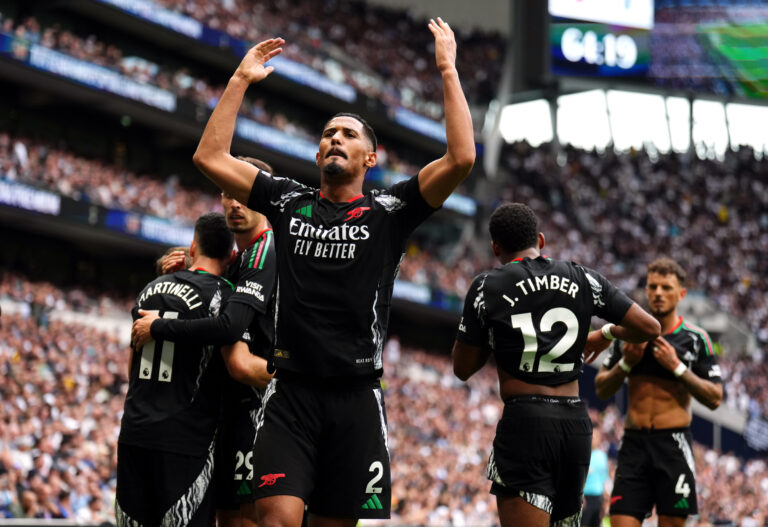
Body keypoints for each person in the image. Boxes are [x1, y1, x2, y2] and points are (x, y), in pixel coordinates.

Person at [190, 17, 475, 527]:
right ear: (317, 154)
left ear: (371, 156)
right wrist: (239, 81)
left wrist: (448, 70)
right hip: (290, 392)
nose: (335, 139)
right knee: (274, 520)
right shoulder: (286, 199)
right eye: (327, 135)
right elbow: (210, 156)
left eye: (347, 134)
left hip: (358, 397)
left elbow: (461, 157)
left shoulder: (392, 211)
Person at [451, 203, 660, 527]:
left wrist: (495, 337)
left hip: (526, 423)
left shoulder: (486, 286)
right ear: (542, 240)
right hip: (574, 424)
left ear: (496, 248)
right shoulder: (582, 277)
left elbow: (462, 368)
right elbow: (649, 327)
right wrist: (605, 332)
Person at [132, 157, 278, 527]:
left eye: (244, 193)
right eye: (228, 192)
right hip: (227, 409)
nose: (234, 202)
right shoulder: (238, 259)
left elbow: (232, 336)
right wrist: (190, 266)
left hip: (260, 407)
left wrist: (163, 324)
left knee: (244, 518)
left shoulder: (267, 250)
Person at [116, 212, 235, 527]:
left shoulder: (152, 287)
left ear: (193, 246)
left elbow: (133, 360)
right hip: (186, 438)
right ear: (232, 254)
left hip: (135, 429)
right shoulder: (226, 297)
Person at [595, 258, 723, 527]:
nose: (658, 293)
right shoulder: (628, 336)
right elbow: (601, 387)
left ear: (682, 293)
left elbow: (714, 398)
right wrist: (627, 363)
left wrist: (676, 367)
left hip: (673, 445)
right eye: (653, 287)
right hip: (633, 444)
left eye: (666, 287)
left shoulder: (696, 339)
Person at [581, 427, 609, 527]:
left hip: (598, 498)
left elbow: (604, 478)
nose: (593, 439)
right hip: (585, 498)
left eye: (596, 437)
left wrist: (605, 500)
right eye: (592, 437)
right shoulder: (583, 455)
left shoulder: (602, 456)